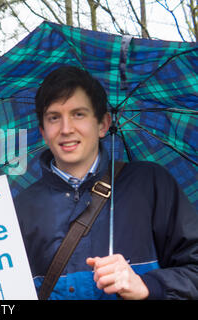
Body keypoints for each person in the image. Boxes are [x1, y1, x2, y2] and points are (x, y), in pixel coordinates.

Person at [14, 65, 198, 300]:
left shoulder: (151, 184)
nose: (66, 129)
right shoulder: (21, 209)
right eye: (54, 118)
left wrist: (147, 285)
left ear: (102, 124)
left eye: (78, 114)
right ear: (42, 131)